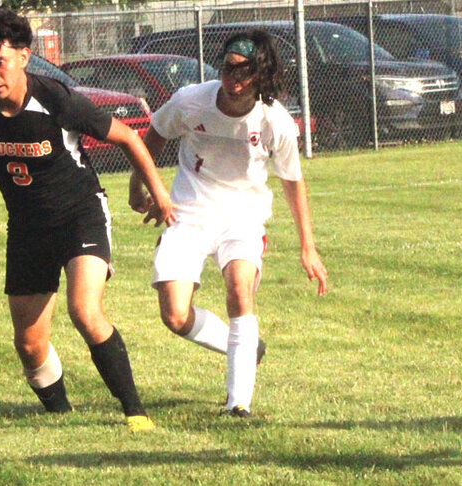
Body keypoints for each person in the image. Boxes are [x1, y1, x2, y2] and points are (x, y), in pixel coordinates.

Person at [0, 9, 176, 432]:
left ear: (23, 56)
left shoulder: (56, 99)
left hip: (80, 215)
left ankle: (135, 411)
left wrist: (159, 194)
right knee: (29, 343)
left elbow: (128, 136)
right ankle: (60, 417)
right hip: (26, 227)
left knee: (84, 311)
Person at [129, 30, 328, 418]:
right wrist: (140, 188)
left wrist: (308, 245)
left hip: (243, 218)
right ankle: (247, 346)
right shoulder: (191, 101)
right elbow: (152, 137)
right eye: (228, 67)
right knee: (174, 315)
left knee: (239, 290)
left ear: (262, 74)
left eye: (245, 71)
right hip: (188, 212)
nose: (233, 78)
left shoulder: (277, 122)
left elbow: (292, 182)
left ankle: (238, 403)